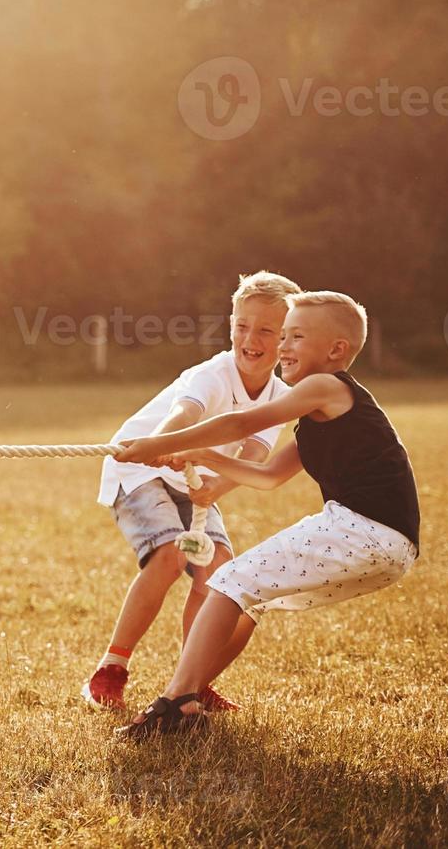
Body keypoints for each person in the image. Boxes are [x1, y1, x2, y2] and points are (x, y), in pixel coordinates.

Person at [113, 291, 419, 739]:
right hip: (393, 550)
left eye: (295, 336)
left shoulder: (327, 386)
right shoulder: (318, 414)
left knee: (228, 581)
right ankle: (192, 693)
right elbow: (269, 475)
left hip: (362, 529)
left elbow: (242, 424)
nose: (283, 347)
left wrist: (158, 445)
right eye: (285, 337)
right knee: (251, 600)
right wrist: (201, 454)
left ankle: (176, 702)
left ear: (336, 350)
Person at [82, 271, 300, 713]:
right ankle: (111, 671)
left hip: (195, 480)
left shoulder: (280, 395)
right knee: (169, 554)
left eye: (265, 330)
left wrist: (217, 487)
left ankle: (190, 683)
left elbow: (255, 452)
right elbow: (185, 413)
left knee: (218, 573)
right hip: (141, 470)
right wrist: (160, 444)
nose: (250, 338)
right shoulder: (212, 374)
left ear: (288, 339)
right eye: (241, 326)